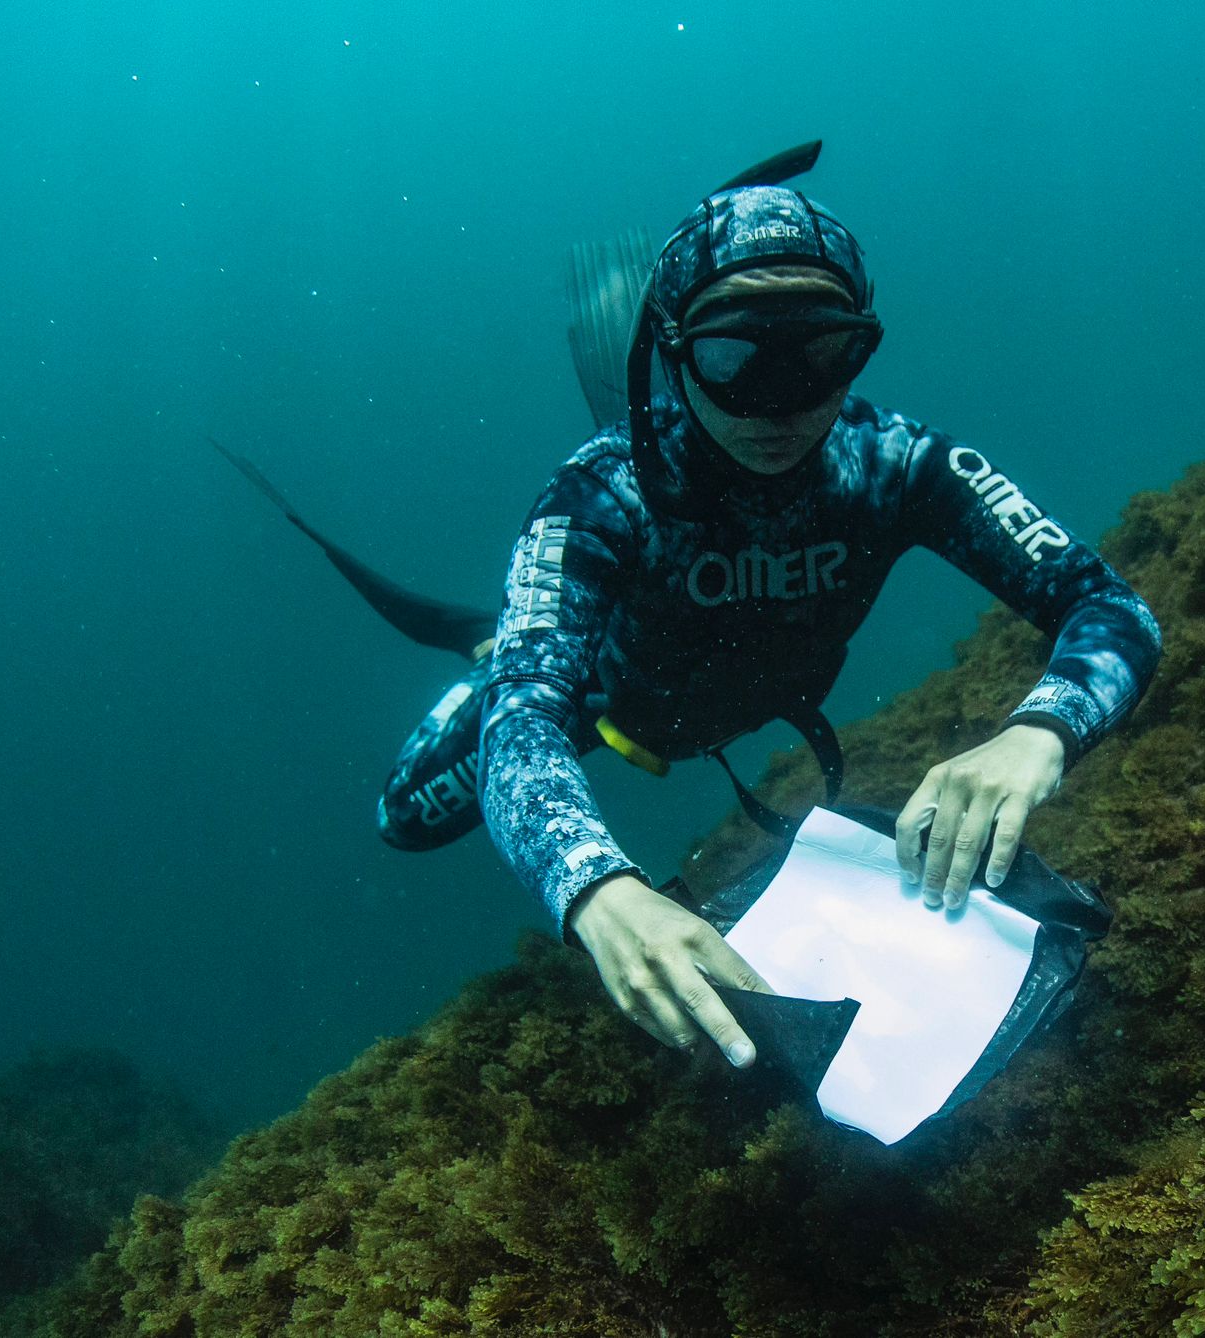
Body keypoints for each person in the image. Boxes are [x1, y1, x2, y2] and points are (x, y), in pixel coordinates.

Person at [469, 154, 1163, 1068]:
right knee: (407, 809)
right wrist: (598, 891)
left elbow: (1110, 605)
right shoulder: (602, 495)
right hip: (611, 710)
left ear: (861, 345)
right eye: (731, 357)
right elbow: (520, 724)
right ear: (677, 355)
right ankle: (490, 641)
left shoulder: (896, 464)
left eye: (822, 352)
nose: (780, 401)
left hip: (756, 698)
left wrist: (1039, 732)